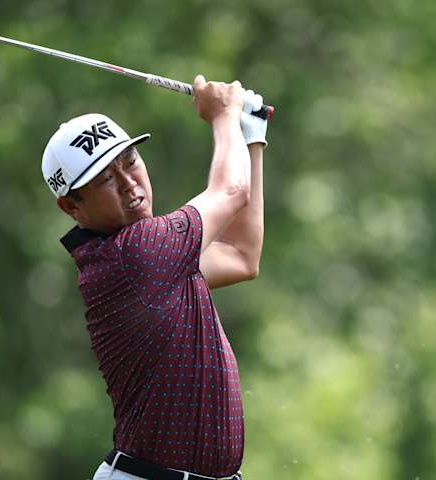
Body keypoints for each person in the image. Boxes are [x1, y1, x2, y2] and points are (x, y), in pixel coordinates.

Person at [41, 75, 268, 480]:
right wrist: (224, 116)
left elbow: (240, 256)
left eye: (129, 162)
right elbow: (231, 191)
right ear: (70, 207)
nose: (130, 185)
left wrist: (251, 136)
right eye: (106, 179)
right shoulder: (138, 253)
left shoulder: (146, 261)